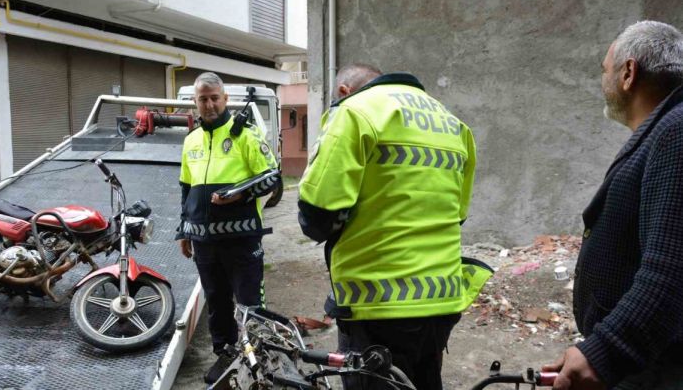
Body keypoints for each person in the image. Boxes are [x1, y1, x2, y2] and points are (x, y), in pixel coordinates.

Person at [298, 64, 493, 389]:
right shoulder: (452, 123)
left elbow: (317, 215)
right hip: (441, 300)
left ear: (344, 92)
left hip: (377, 305)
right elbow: (458, 212)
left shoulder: (355, 112)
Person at [544, 21, 683, 389]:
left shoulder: (676, 131)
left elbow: (671, 270)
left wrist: (606, 351)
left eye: (604, 70)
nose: (601, 81)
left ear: (628, 73)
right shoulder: (665, 129)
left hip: (658, 368)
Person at [176, 72, 280, 384]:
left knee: (250, 304)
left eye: (214, 98)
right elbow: (186, 189)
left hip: (242, 239)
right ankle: (225, 356)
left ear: (225, 100)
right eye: (202, 99)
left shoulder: (245, 135)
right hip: (204, 242)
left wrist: (238, 193)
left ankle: (260, 359)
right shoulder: (191, 140)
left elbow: (272, 179)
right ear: (196, 102)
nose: (209, 104)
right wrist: (184, 230)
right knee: (217, 304)